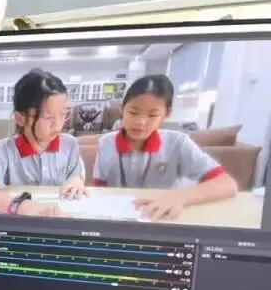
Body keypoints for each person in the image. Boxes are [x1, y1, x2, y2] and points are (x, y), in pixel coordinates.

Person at [92, 74, 238, 221]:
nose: (141, 122)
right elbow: (99, 189)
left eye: (152, 115)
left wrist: (179, 197)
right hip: (118, 218)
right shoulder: (106, 143)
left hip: (162, 217)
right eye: (133, 113)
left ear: (166, 114)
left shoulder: (178, 143)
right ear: (122, 109)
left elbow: (227, 184)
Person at [0, 68, 85, 216]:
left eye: (63, 114)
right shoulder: (5, 150)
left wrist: (76, 180)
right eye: (48, 117)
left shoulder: (70, 145)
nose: (58, 124)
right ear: (20, 118)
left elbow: (75, 176)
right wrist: (20, 206)